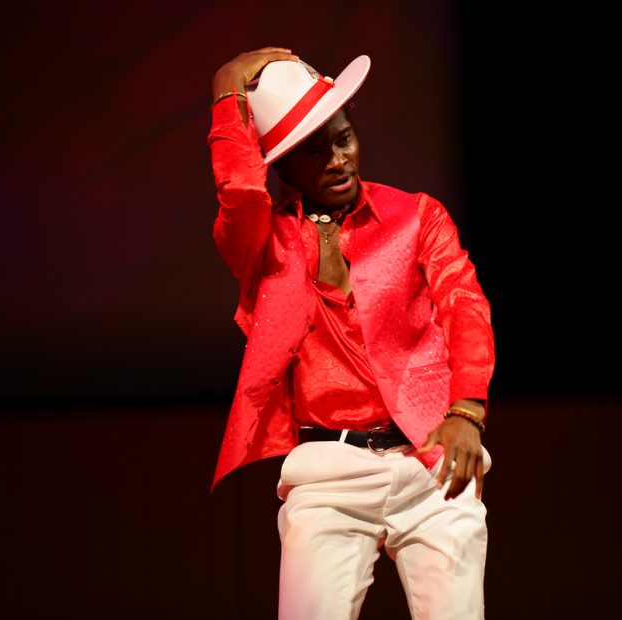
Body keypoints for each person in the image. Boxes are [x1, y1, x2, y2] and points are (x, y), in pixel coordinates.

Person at [206, 46, 496, 619]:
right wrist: (226, 92)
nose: (338, 159)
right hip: (328, 472)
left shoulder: (416, 215)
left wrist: (467, 411)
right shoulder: (265, 245)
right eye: (314, 152)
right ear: (282, 168)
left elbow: (465, 304)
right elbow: (239, 194)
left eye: (343, 138)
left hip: (429, 461)